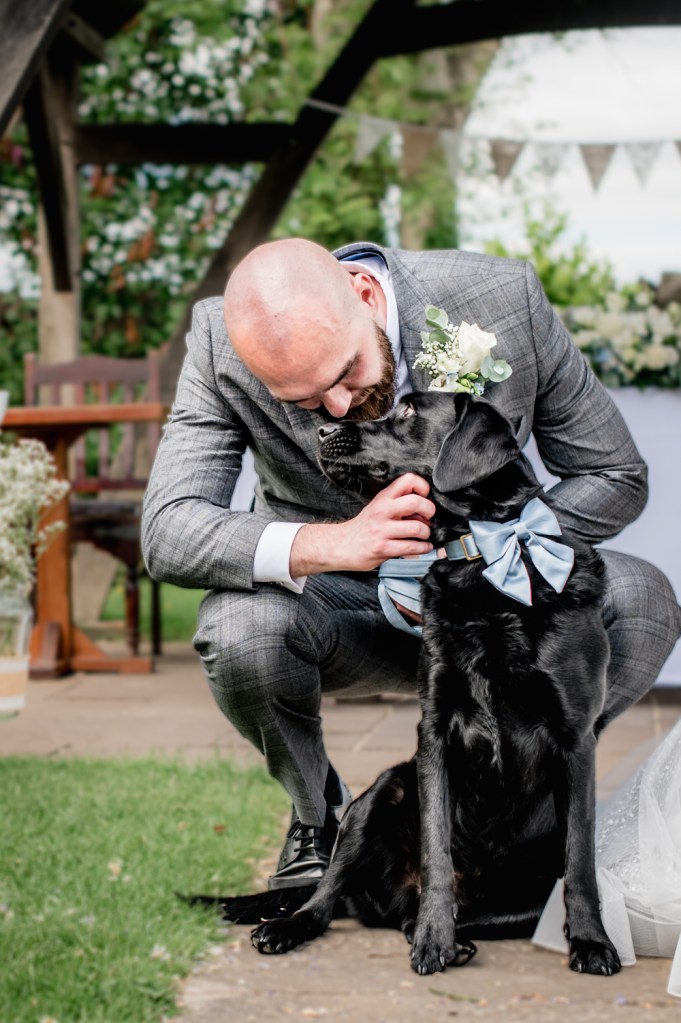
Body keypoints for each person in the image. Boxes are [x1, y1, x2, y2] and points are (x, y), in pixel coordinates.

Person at [141, 238, 681, 889]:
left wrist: (492, 546)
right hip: (343, 611)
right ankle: (321, 815)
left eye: (345, 374)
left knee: (641, 597)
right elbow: (167, 527)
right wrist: (335, 543)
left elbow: (613, 470)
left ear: (364, 296)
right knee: (238, 630)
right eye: (306, 402)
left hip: (491, 612)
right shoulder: (218, 341)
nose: (336, 409)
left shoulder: (500, 300)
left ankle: (516, 810)